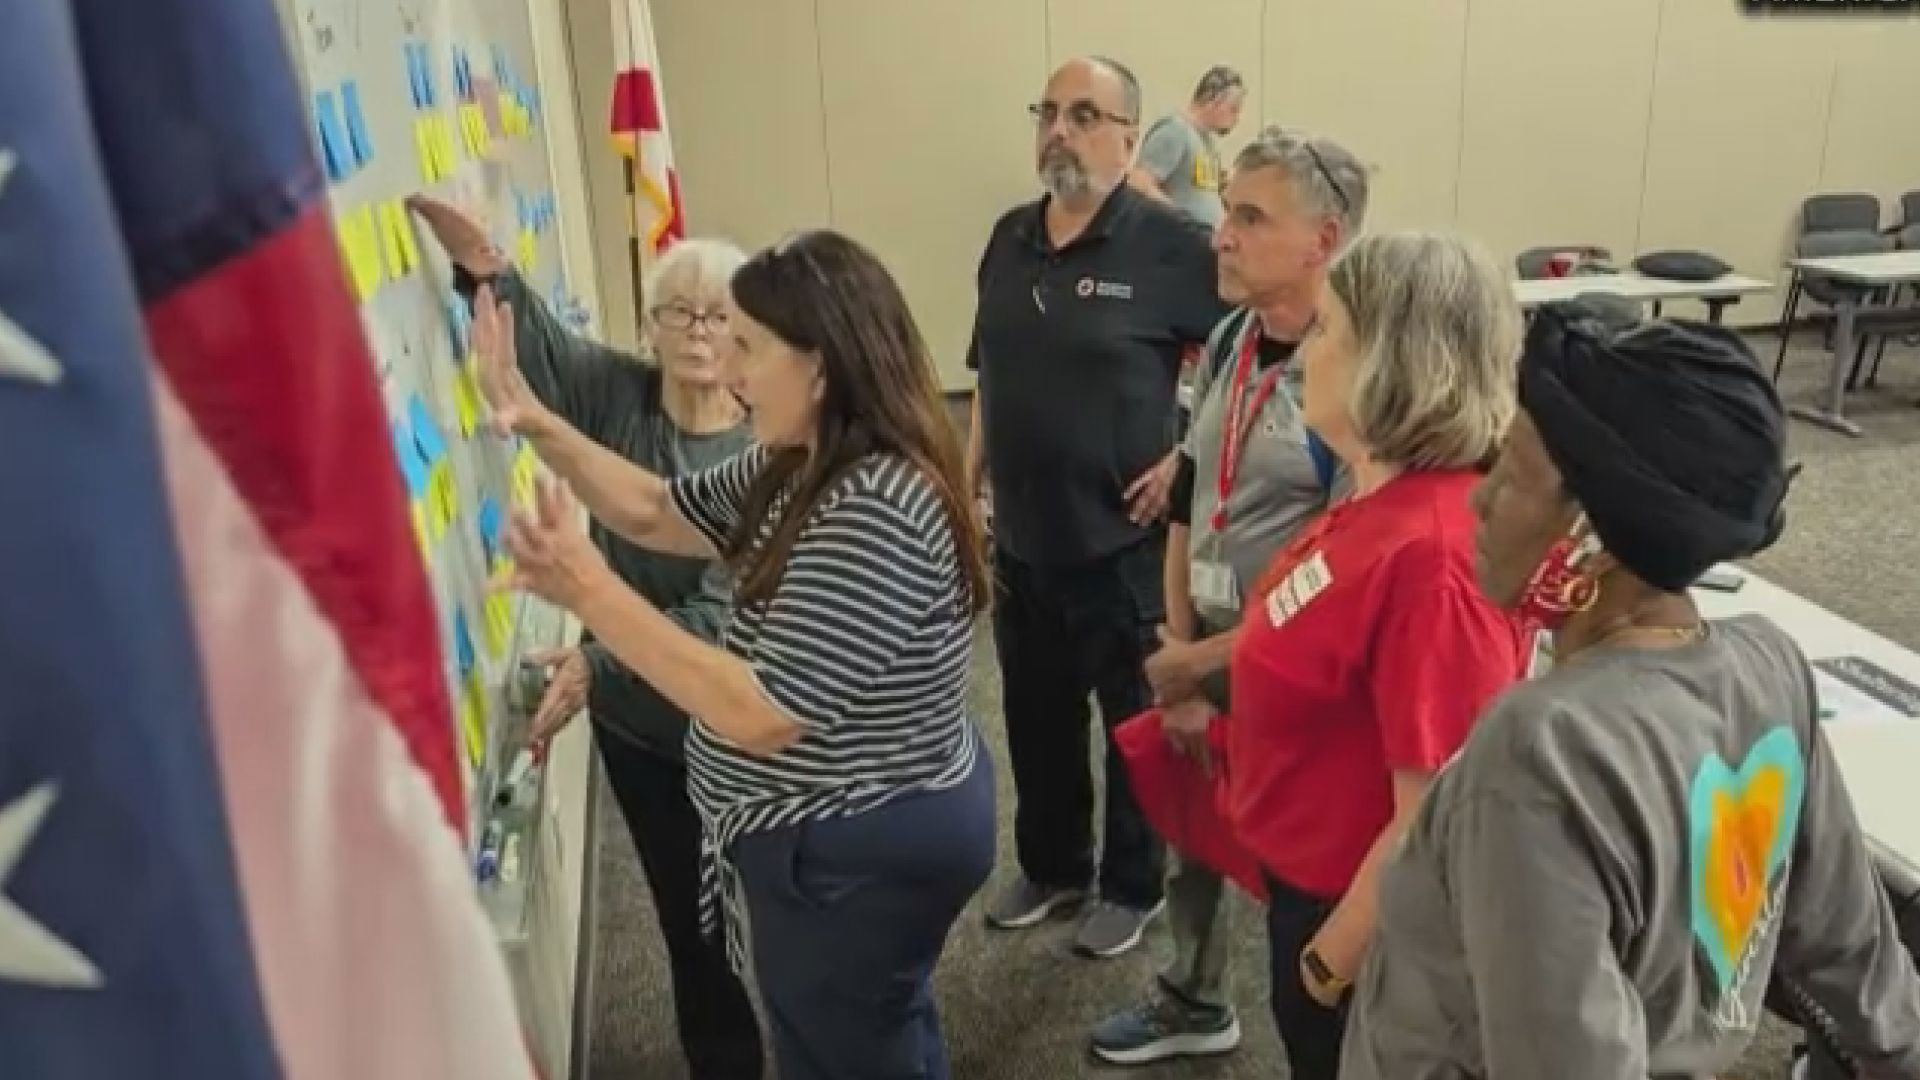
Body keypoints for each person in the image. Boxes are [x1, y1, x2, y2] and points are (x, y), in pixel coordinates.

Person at [1340, 303, 1920, 1079]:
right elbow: (1855, 958)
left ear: (1592, 539)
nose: (1478, 500)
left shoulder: (1541, 750)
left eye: (1510, 474)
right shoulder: (1770, 669)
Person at [477, 230, 996, 1080]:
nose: (729, 371)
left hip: (861, 847)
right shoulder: (798, 461)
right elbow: (653, 509)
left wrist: (589, 592)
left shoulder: (875, 503)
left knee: (842, 1046)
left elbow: (756, 713)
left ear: (821, 366)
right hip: (838, 830)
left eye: (748, 346)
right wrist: (536, 420)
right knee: (870, 1027)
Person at [408, 196, 765, 1078]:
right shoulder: (617, 392)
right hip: (643, 727)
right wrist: (485, 265)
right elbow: (536, 350)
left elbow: (723, 614)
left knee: (778, 912)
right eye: (677, 310)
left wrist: (595, 663)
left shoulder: (770, 451)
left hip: (743, 720)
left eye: (718, 314)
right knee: (693, 922)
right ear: (650, 327)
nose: (696, 330)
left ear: (746, 334)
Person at [1089, 126, 1370, 1066]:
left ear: (1323, 241)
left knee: (1305, 879)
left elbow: (1348, 570)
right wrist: (1181, 648)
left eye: (1251, 218)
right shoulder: (1227, 337)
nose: (1221, 234)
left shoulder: (1357, 374)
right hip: (1204, 645)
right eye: (1229, 214)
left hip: (1295, 672)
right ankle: (1195, 997)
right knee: (1196, 840)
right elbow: (1188, 498)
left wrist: (1200, 670)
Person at [1222, 232, 1532, 1079]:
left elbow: (1434, 819)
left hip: (1367, 939)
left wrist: (1326, 969)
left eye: (1326, 333)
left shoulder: (1434, 556)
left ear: (1389, 365)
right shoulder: (1380, 495)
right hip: (1309, 889)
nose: (1303, 354)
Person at [968, 54, 1228, 957]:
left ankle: (1131, 885)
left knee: (1132, 727)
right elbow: (987, 380)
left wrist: (1188, 455)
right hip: (1024, 544)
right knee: (1036, 720)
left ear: (1129, 134)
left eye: (1084, 115)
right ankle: (1053, 868)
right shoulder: (1007, 238)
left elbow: (1247, 358)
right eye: (1048, 111)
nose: (1059, 130)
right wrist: (971, 488)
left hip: (1123, 546)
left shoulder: (1170, 247)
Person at [1130, 65, 1246, 227]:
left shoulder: (1208, 143)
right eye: (1233, 109)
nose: (1237, 118)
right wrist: (1182, 220)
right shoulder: (1175, 131)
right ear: (1212, 99)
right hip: (1177, 241)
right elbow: (1139, 183)